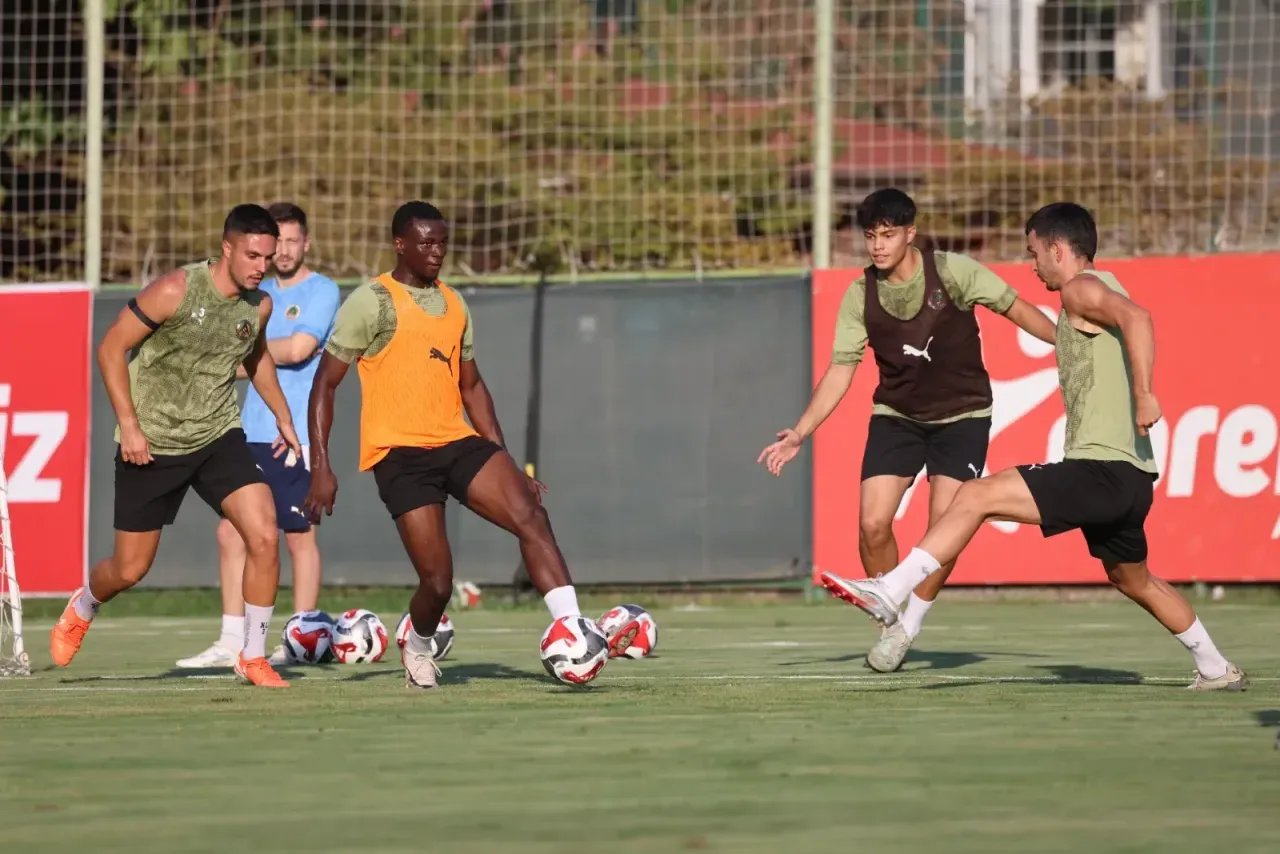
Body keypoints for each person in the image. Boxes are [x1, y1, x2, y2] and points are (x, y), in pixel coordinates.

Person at [822, 201, 1247, 691]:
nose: (1032, 264)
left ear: (1058, 249)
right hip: (1132, 479)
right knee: (1134, 580)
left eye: (1034, 252)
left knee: (976, 495)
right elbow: (1116, 322)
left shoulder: (1081, 288)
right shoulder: (1102, 287)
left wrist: (1145, 393)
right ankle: (1216, 668)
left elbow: (1139, 318)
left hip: (1100, 470)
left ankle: (890, 589)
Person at [303, 201, 638, 689]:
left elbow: (472, 387)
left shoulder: (454, 303)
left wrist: (503, 457)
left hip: (456, 441)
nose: (437, 251)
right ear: (400, 244)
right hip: (400, 455)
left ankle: (572, 628)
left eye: (442, 242)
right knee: (438, 581)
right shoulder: (371, 301)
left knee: (531, 514)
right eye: (426, 242)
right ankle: (418, 644)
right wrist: (321, 466)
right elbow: (325, 384)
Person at [759, 188, 1058, 672]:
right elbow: (841, 369)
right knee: (872, 525)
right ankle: (890, 618)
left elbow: (1017, 308)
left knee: (943, 530)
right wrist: (801, 431)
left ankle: (909, 626)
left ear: (910, 234)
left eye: (888, 234)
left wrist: (1067, 343)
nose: (878, 245)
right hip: (897, 417)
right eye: (870, 236)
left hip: (963, 418)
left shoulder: (954, 272)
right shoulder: (860, 293)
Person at [51, 204, 302, 688]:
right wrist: (130, 426)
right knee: (129, 569)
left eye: (268, 258)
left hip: (217, 435)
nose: (261, 266)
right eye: (252, 255)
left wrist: (284, 417)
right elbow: (110, 348)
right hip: (153, 442)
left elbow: (256, 358)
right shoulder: (176, 289)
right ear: (227, 248)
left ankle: (253, 656)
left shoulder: (259, 306)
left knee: (264, 534)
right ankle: (84, 604)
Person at [176, 202, 340, 668]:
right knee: (231, 532)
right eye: (275, 243)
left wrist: (237, 357)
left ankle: (300, 638)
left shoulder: (323, 291)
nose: (282, 251)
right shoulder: (254, 292)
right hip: (247, 430)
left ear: (306, 244)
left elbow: (299, 349)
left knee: (298, 535)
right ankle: (232, 639)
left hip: (295, 434)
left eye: (291, 241)